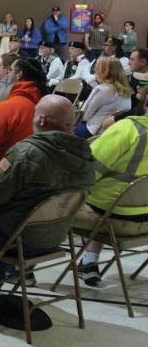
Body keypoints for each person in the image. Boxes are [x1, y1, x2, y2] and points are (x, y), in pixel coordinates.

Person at [0, 94, 95, 299]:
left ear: (42, 120)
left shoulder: (26, 153)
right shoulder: (85, 156)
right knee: (13, 213)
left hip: (17, 240)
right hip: (56, 236)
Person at [74, 108, 148, 286]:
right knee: (108, 199)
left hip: (111, 219)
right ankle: (89, 262)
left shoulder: (128, 128)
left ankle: (22, 269)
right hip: (144, 221)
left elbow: (86, 169)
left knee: (48, 206)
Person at [0, 58, 46, 169]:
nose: (7, 74)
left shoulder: (5, 109)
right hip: (34, 171)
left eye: (10, 70)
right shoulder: (46, 105)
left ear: (19, 75)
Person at [76, 56, 131, 138]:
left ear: (105, 71)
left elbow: (84, 116)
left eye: (97, 68)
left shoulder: (102, 89)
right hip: (115, 132)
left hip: (94, 132)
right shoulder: (126, 90)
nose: (95, 71)